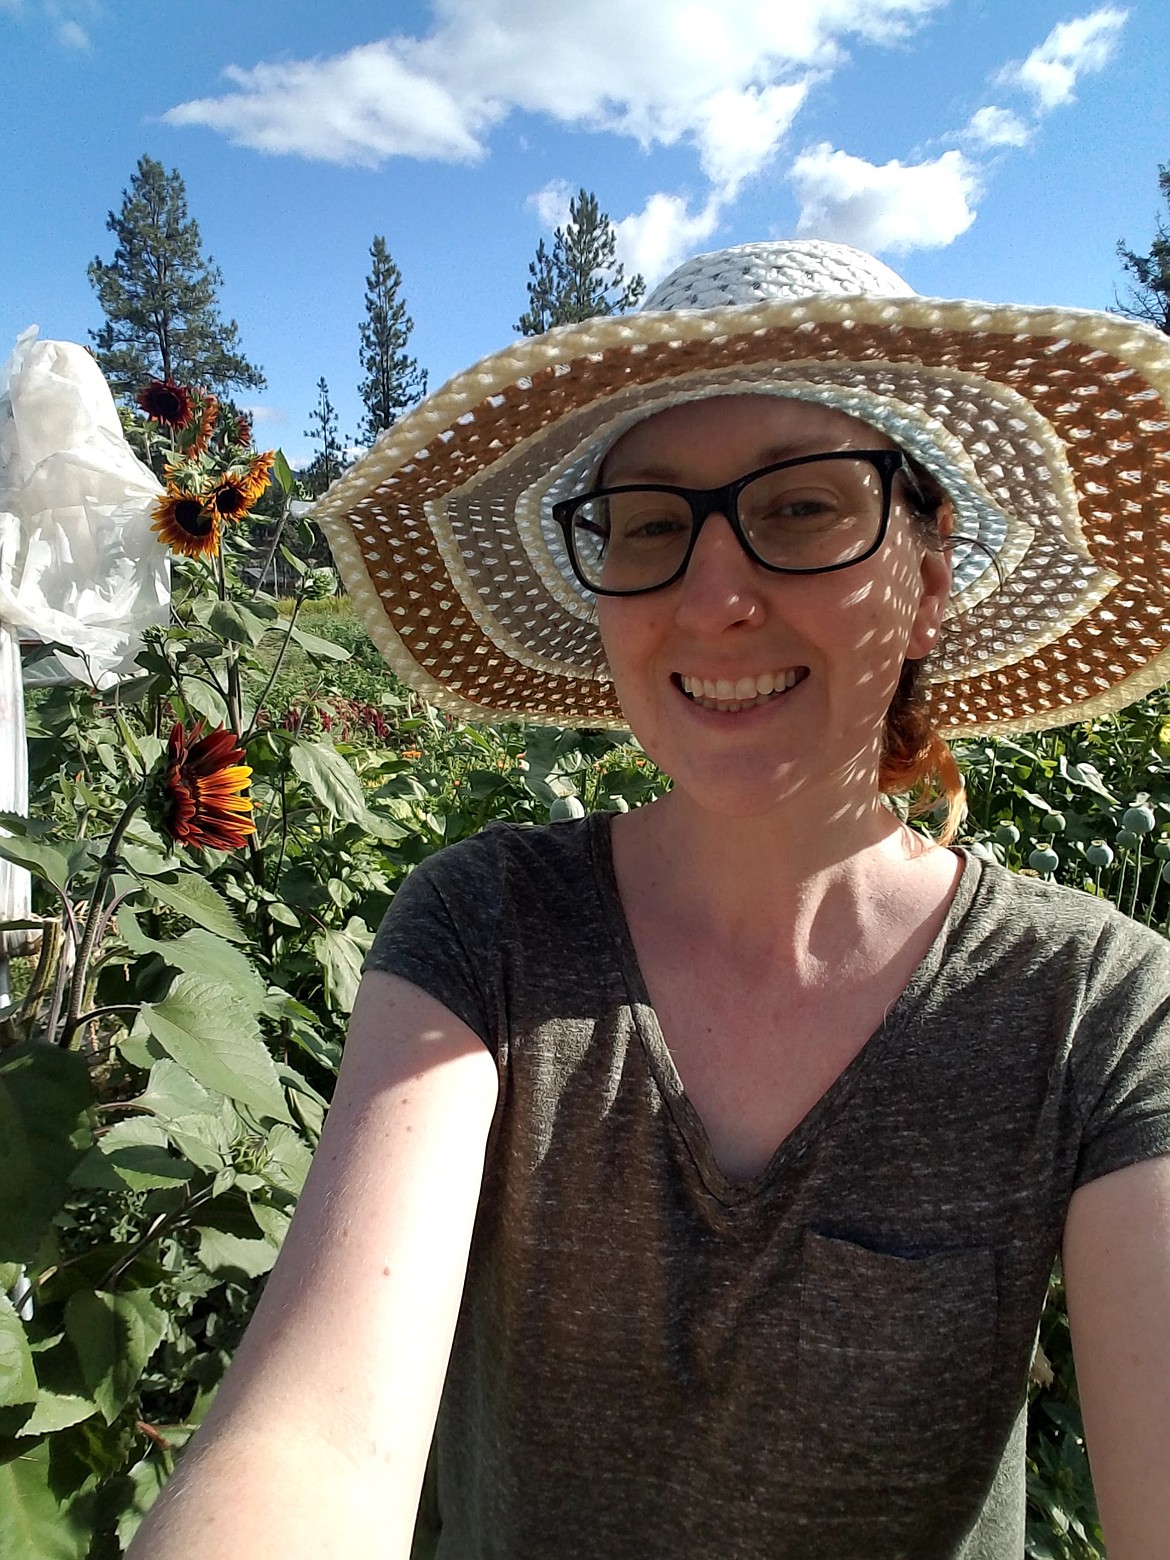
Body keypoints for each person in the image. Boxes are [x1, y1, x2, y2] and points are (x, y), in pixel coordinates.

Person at [129, 241, 1170, 1559]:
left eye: (799, 509)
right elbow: (315, 1438)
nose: (713, 598)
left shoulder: (1090, 1009)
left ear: (926, 574)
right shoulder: (489, 935)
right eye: (651, 526)